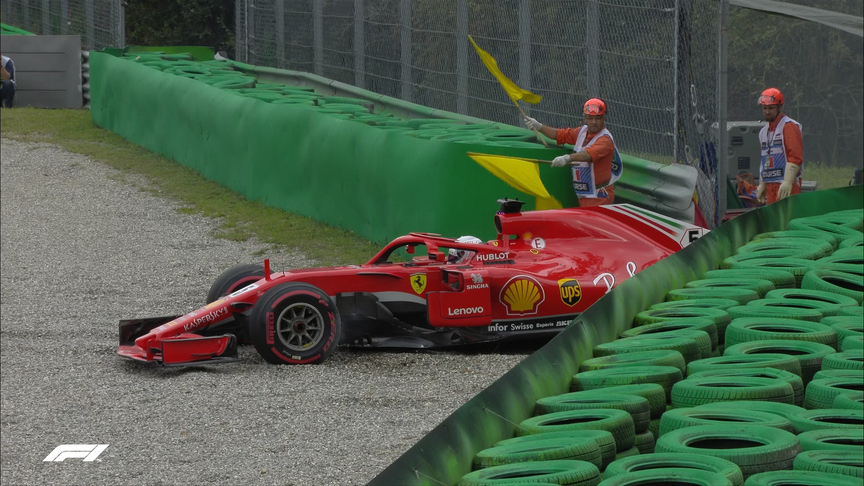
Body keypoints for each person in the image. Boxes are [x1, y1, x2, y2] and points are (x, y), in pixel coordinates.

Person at [523, 98, 623, 207]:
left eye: (598, 118)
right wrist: (539, 126)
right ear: (585, 118)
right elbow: (559, 134)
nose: (594, 122)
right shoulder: (582, 132)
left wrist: (567, 158)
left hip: (599, 196)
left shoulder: (605, 140)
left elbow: (587, 155)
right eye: (590, 118)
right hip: (584, 194)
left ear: (604, 118)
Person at [755, 87, 803, 205]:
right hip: (771, 184)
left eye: (771, 108)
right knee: (774, 221)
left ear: (779, 107)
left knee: (788, 218)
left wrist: (788, 181)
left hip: (786, 183)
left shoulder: (789, 126)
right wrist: (762, 183)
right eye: (764, 108)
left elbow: (795, 157)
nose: (767, 111)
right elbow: (765, 159)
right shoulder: (763, 132)